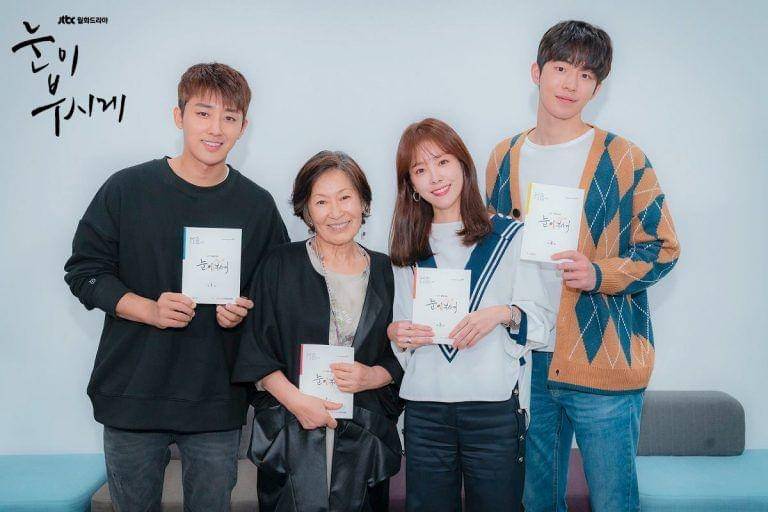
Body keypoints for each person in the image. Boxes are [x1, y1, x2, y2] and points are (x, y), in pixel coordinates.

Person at [64, 62, 288, 511]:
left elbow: (275, 295)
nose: (215, 128)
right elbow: (85, 271)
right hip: (132, 391)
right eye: (203, 113)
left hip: (215, 398)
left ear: (243, 127)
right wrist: (146, 309)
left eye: (229, 117)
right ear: (178, 116)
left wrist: (242, 312)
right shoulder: (127, 189)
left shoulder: (256, 205)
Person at [485, 20, 681, 512]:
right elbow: (489, 251)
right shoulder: (505, 156)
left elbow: (663, 247)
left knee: (614, 501)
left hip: (603, 358)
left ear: (598, 87)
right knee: (535, 501)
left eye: (587, 75)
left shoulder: (624, 157)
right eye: (561, 68)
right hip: (527, 357)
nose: (571, 83)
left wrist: (599, 273)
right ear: (537, 72)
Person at [387, 118, 554, 512]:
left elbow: (541, 324)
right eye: (420, 170)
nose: (435, 177)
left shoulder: (510, 236)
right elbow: (401, 330)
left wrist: (500, 314)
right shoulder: (408, 244)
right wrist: (397, 333)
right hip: (425, 411)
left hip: (492, 408)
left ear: (463, 164)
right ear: (411, 184)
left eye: (443, 162)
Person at [232, 151, 403, 512]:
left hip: (363, 437)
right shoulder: (279, 265)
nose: (336, 212)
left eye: (345, 197)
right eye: (321, 202)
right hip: (292, 430)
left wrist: (372, 376)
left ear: (364, 202)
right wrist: (298, 403)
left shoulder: (388, 271)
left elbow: (403, 354)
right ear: (307, 212)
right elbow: (255, 350)